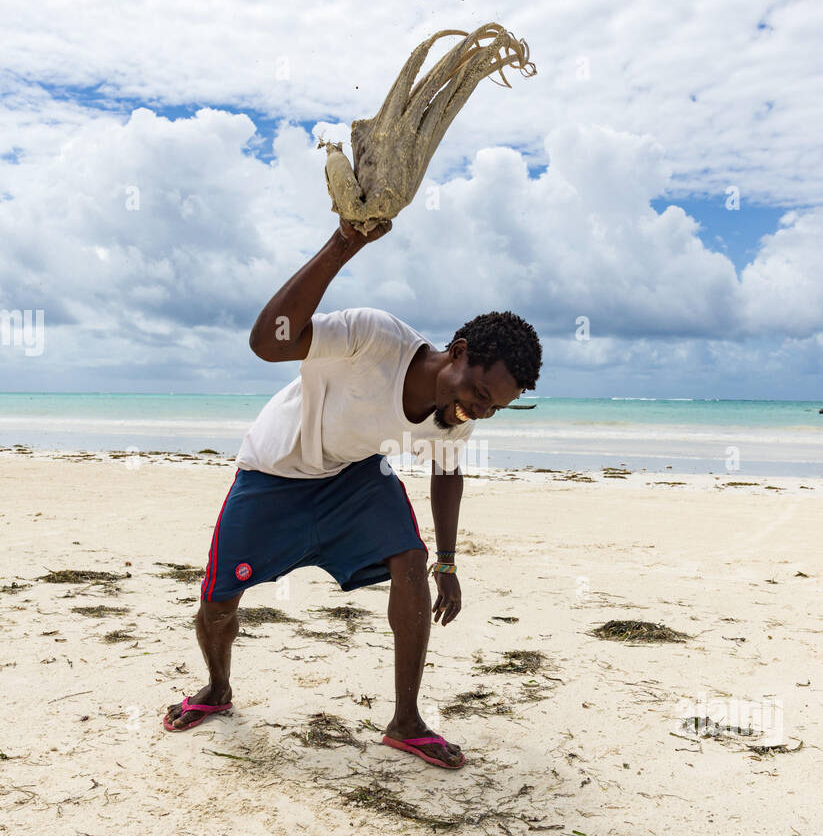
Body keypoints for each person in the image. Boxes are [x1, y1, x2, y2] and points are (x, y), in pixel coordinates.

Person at [163, 218, 542, 769]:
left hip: (353, 476)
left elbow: (446, 472)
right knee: (219, 602)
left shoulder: (456, 418)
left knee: (409, 560)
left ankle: (406, 722)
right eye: (479, 393)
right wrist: (345, 243)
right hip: (276, 469)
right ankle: (217, 688)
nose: (478, 411)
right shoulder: (374, 335)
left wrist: (449, 562)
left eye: (493, 408)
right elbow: (269, 341)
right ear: (458, 352)